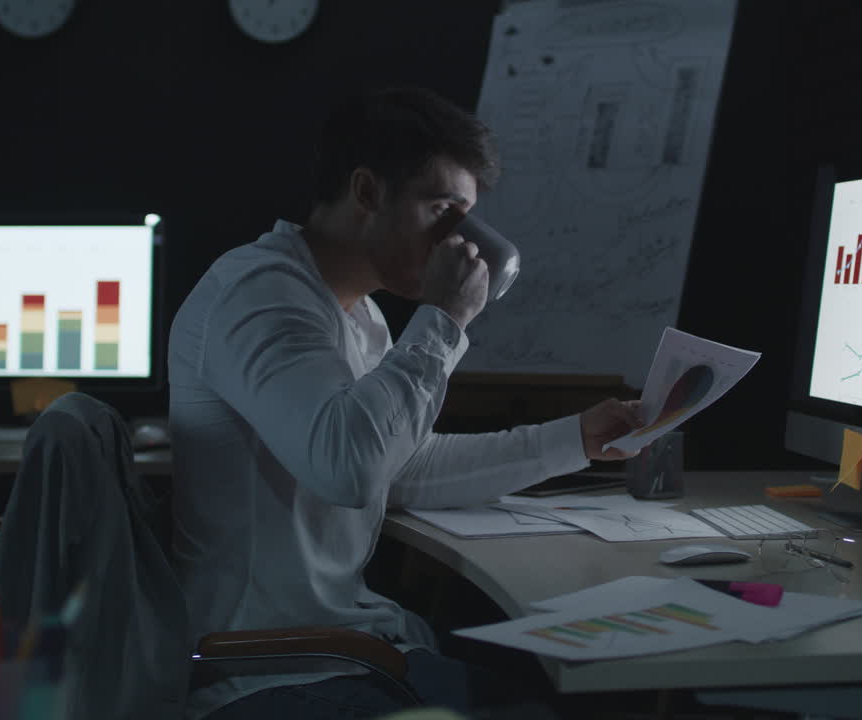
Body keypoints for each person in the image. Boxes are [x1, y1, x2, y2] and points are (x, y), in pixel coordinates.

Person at [167, 86, 643, 719]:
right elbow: (348, 470)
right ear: (367, 192)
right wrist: (445, 317)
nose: (460, 241)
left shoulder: (359, 315)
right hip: (268, 671)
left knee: (562, 693)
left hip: (347, 650)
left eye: (466, 218)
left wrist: (573, 439)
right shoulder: (258, 293)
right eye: (442, 210)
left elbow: (402, 465)